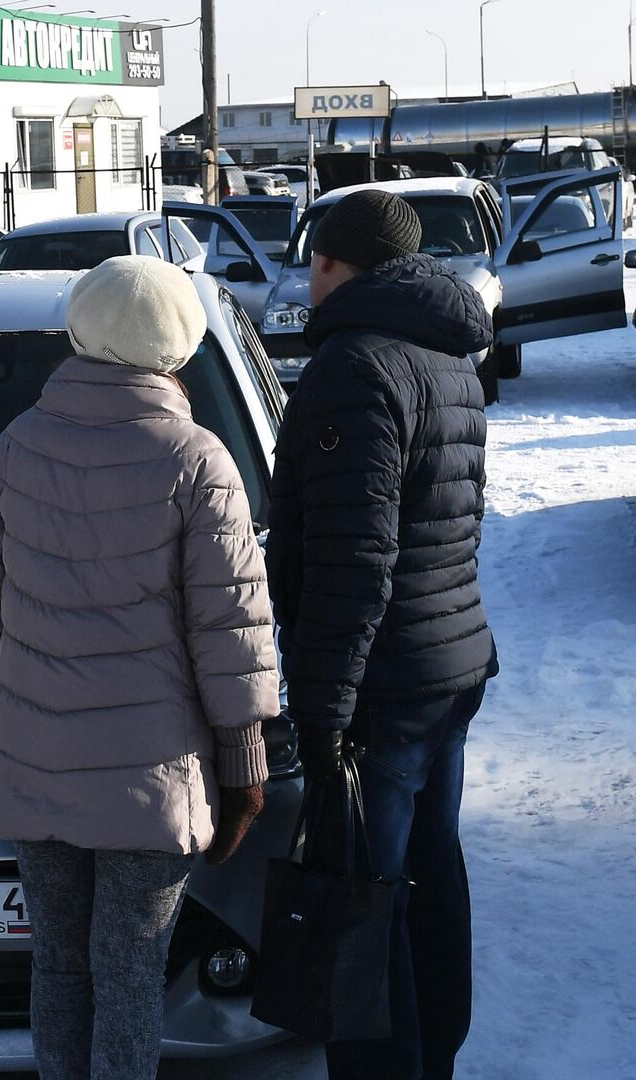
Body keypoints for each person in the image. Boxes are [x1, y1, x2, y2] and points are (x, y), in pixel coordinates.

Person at [0, 255, 279, 1080]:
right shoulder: (197, 459)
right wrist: (246, 773)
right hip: (151, 778)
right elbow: (230, 625)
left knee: (59, 969)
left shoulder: (13, 446)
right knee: (131, 979)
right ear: (178, 348)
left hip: (33, 766)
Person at [266, 189, 498, 1080]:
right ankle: (434, 1051)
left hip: (386, 684)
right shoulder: (446, 357)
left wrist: (324, 714)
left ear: (334, 263)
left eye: (316, 262)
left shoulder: (354, 366)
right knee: (430, 873)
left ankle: (390, 1068)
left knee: (369, 901)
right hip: (449, 663)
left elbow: (351, 562)